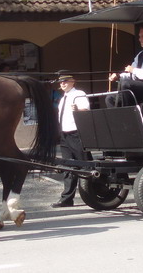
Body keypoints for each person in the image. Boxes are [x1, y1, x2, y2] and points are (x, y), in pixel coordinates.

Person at [51, 73, 91, 208]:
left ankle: (93, 194)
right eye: (61, 82)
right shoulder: (63, 99)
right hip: (64, 134)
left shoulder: (79, 94)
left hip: (75, 133)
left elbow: (86, 109)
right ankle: (67, 199)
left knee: (85, 166)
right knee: (69, 167)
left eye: (65, 81)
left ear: (73, 81)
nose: (62, 84)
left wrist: (77, 109)